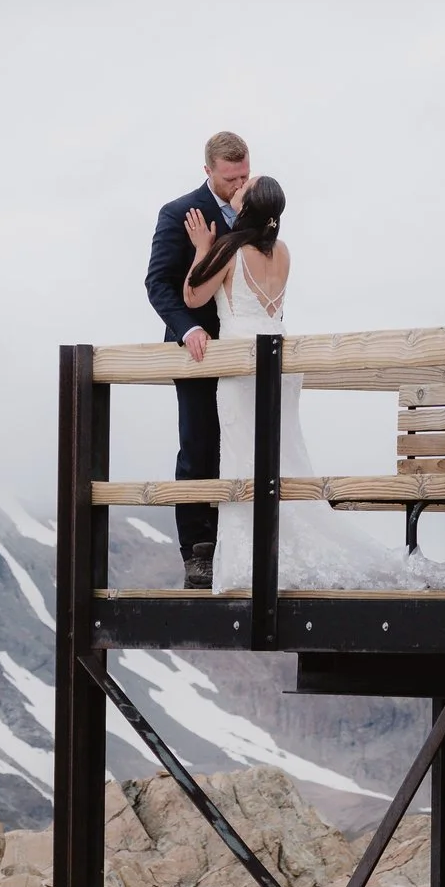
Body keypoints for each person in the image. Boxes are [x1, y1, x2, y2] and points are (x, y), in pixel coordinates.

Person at [178, 175, 445, 594]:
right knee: (284, 457)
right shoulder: (282, 252)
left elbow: (193, 297)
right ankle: (276, 548)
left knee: (243, 460)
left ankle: (248, 562)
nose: (237, 189)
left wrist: (202, 247)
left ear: (249, 207)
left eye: (243, 189)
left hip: (243, 364)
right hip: (282, 359)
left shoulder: (227, 249)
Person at [146, 131, 251, 589]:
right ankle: (197, 551)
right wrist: (187, 328)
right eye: (230, 179)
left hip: (244, 348)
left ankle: (238, 545)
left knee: (241, 445)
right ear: (208, 171)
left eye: (244, 175)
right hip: (196, 351)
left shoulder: (258, 209)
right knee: (198, 445)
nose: (239, 185)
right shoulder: (178, 213)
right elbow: (158, 283)